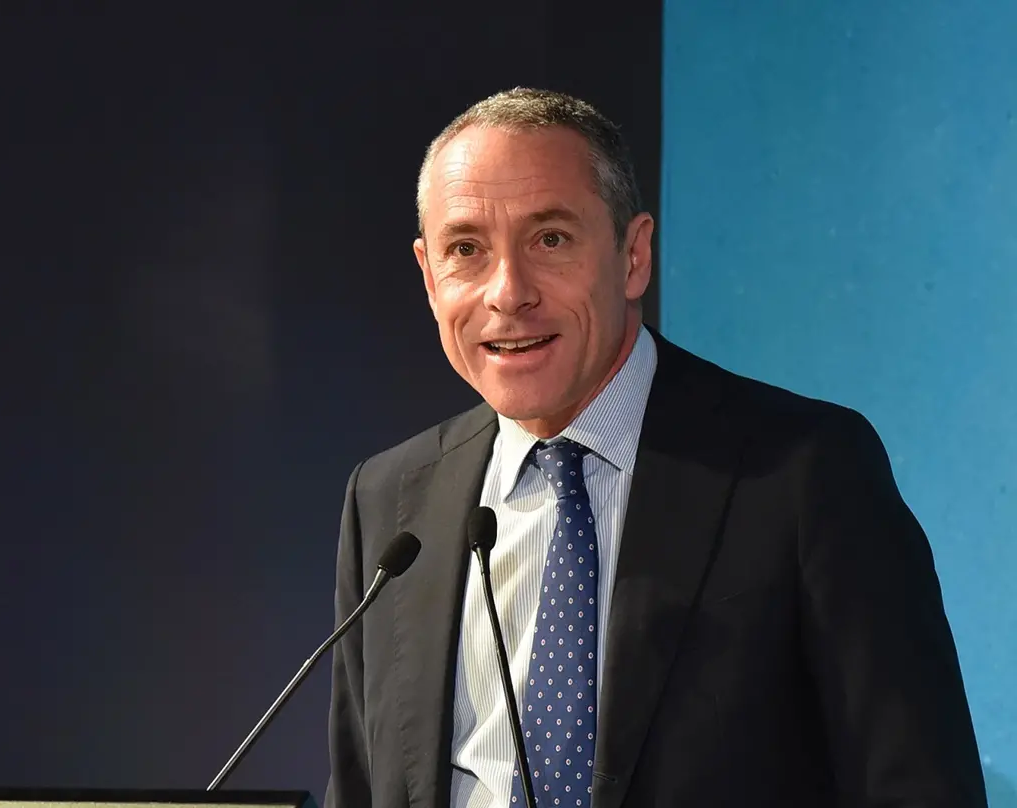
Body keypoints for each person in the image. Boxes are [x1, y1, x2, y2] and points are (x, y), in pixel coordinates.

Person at [324, 87, 986, 808]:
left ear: (633, 255)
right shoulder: (389, 500)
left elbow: (918, 786)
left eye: (551, 239)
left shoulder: (806, 473)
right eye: (466, 250)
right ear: (429, 277)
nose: (507, 293)